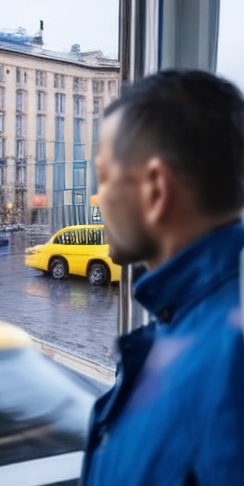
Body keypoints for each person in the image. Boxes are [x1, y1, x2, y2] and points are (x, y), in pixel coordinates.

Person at [80, 70, 244, 486]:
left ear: (155, 190)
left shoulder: (229, 365)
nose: (98, 199)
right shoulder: (194, 319)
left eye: (104, 177)